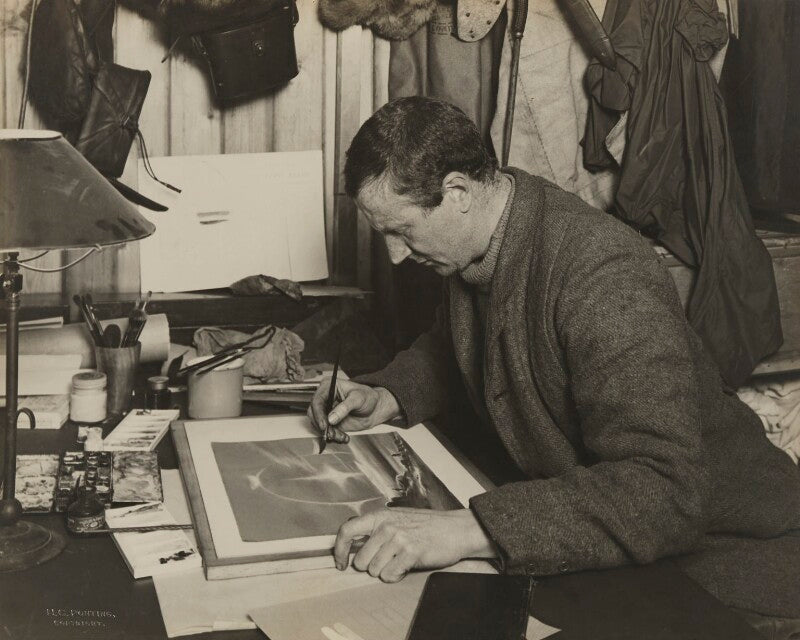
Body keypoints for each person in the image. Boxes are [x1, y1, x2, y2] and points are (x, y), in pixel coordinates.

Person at [307, 96, 800, 627]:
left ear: (458, 192)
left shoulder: (603, 274)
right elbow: (455, 346)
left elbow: (663, 489)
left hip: (726, 558)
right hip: (618, 539)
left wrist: (470, 530)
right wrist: (388, 394)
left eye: (400, 231)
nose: (395, 255)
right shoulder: (478, 236)